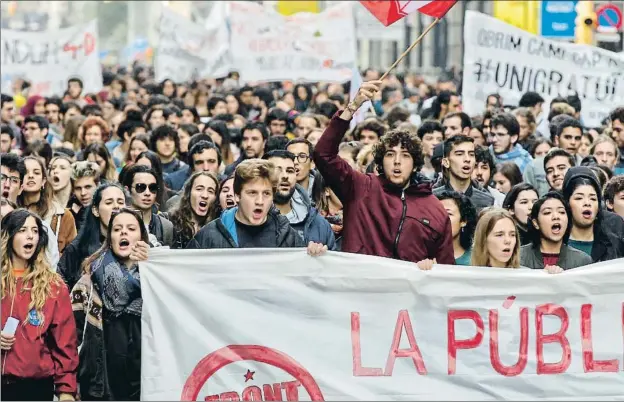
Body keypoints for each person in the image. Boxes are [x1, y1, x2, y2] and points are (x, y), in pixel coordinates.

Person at [314, 80, 454, 266]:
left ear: (415, 164)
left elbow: (446, 270)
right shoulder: (360, 187)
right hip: (357, 287)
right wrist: (352, 107)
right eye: (390, 154)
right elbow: (323, 154)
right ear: (380, 161)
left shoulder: (434, 209)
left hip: (405, 293)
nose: (397, 161)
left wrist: (432, 268)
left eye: (405, 156)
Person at [71, 208, 149, 401]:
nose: (123, 232)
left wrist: (152, 262)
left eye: (131, 228)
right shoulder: (88, 282)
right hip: (101, 385)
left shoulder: (156, 280)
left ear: (142, 236)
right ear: (109, 238)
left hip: (146, 383)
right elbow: (72, 336)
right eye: (117, 229)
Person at [0, 209, 78, 401]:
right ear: (8, 236)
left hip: (35, 386)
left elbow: (65, 343)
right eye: (23, 230)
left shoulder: (54, 286)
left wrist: (66, 390)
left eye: (34, 231)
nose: (30, 236)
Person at [186, 159, 326, 256]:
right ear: (237, 196)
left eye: (266, 193)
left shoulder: (286, 235)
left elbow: (306, 278)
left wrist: (314, 255)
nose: (260, 201)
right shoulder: (210, 236)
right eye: (252, 193)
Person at [58, 183, 127, 291]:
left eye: (121, 202)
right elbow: (60, 285)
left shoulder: (133, 244)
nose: (116, 206)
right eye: (109, 202)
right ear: (95, 210)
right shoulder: (77, 248)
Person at [264, 150, 336, 249]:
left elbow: (333, 262)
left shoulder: (319, 224)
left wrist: (320, 256)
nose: (285, 176)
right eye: (278, 170)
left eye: (290, 171)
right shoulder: (250, 218)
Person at [562, 166, 624, 262]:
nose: (587, 203)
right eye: (579, 198)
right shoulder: (555, 243)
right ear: (566, 203)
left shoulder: (615, 244)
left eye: (593, 198)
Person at [17, 156, 77, 254]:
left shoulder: (63, 216)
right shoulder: (9, 211)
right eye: (25, 172)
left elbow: (72, 256)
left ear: (43, 181)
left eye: (36, 172)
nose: (31, 176)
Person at [521, 192, 593, 271]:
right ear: (536, 223)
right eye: (547, 212)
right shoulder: (519, 257)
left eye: (561, 212)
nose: (556, 217)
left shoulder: (582, 261)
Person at [434, 135, 495, 211]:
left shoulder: (486, 200)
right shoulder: (433, 199)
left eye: (471, 154)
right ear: (446, 162)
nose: (467, 159)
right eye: (459, 154)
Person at [121, 165, 172, 247]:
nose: (147, 193)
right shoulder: (117, 223)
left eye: (152, 188)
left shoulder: (166, 226)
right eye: (140, 187)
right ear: (127, 190)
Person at [166, 171, 220, 249]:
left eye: (210, 191)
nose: (205, 195)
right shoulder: (169, 222)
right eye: (199, 189)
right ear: (189, 193)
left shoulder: (218, 228)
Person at [436, 190, 477, 265]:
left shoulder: (476, 259)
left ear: (464, 221)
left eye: (448, 214)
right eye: (437, 213)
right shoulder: (423, 254)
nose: (440, 218)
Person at [69, 161, 100, 232]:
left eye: (88, 187)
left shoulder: (106, 208)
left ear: (98, 186)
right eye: (78, 188)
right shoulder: (69, 212)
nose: (83, 193)